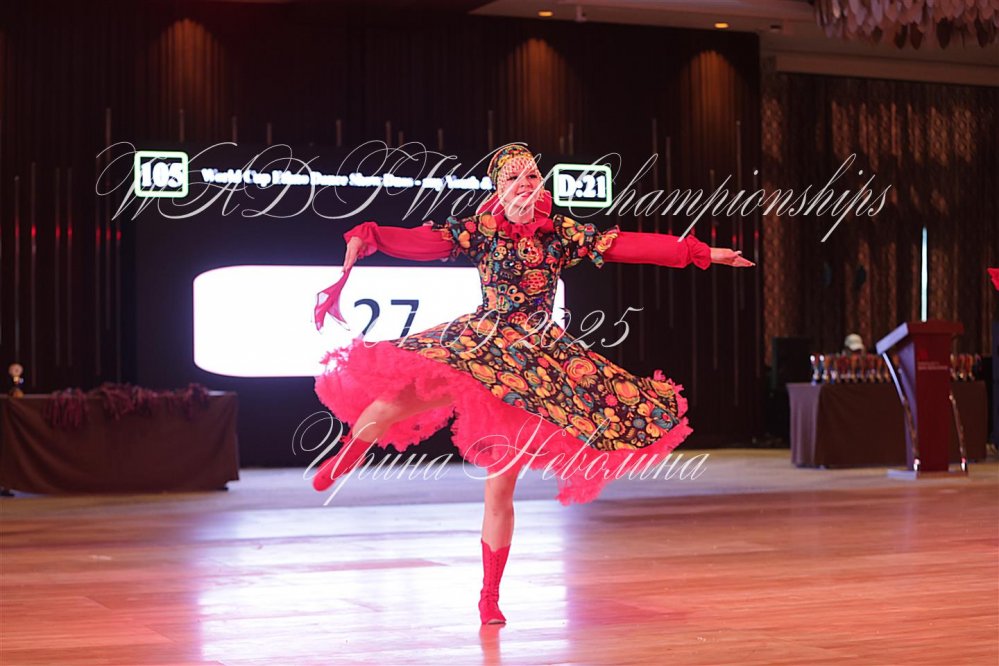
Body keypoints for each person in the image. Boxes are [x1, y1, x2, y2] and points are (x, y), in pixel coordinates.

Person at [311, 144, 754, 625]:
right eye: (514, 177)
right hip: (482, 343)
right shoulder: (481, 229)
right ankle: (347, 457)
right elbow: (422, 241)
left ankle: (489, 596)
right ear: (499, 188)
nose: (525, 183)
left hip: (533, 365)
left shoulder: (561, 232)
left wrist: (700, 253)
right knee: (388, 404)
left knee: (500, 489)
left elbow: (625, 244)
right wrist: (369, 236)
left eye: (532, 176)